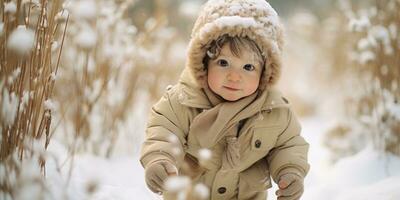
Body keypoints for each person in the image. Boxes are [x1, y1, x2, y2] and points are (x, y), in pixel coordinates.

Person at [140, 0, 310, 199]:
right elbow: (163, 131)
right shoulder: (182, 101)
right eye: (223, 62)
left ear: (266, 71)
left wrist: (290, 172)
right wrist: (160, 159)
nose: (234, 76)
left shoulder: (274, 110)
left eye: (248, 67)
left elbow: (289, 144)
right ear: (203, 61)